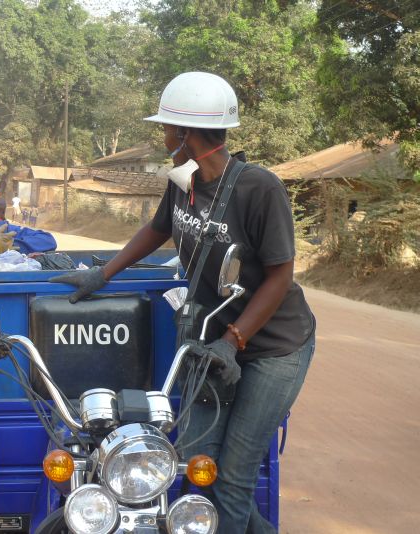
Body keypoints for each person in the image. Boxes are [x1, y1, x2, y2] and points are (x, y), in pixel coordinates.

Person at [50, 72, 315, 534]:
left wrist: (235, 341)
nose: (163, 136)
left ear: (185, 134)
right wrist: (103, 273)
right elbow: (158, 230)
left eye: (167, 128)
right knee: (196, 462)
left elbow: (280, 276)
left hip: (273, 347)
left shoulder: (260, 189)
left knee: (232, 480)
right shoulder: (184, 179)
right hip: (211, 346)